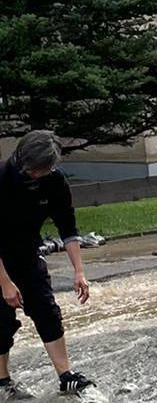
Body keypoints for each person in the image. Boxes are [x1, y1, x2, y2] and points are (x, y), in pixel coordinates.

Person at [0, 131, 96, 399]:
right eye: (33, 170)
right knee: (2, 320)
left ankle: (66, 377)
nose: (37, 175)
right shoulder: (3, 178)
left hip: (27, 253)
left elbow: (68, 226)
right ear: (22, 158)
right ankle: (2, 382)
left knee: (46, 310)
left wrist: (79, 271)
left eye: (43, 170)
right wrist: (5, 283)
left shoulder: (54, 181)